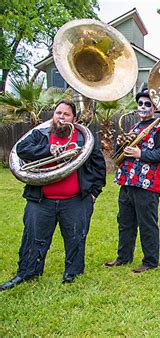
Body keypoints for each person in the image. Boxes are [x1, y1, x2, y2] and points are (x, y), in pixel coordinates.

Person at [0, 100, 106, 290]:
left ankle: (72, 273)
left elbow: (99, 168)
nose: (61, 117)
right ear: (53, 115)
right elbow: (21, 150)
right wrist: (47, 151)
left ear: (74, 118)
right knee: (32, 237)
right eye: (58, 113)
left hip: (76, 200)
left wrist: (94, 194)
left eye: (66, 114)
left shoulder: (83, 139)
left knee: (75, 238)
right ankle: (26, 273)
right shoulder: (40, 134)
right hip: (41, 200)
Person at [104, 89, 160, 273]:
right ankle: (123, 257)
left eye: (147, 104)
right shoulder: (135, 127)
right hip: (127, 181)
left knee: (147, 223)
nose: (143, 107)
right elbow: (121, 153)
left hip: (147, 184)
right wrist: (121, 143)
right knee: (125, 221)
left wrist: (140, 153)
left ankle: (150, 261)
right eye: (141, 104)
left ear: (154, 108)